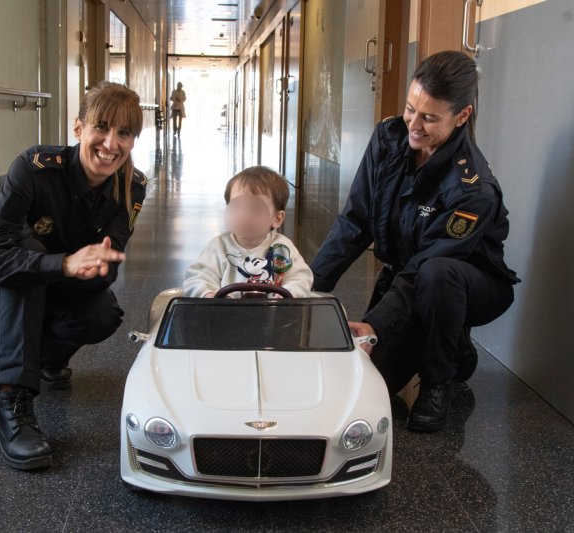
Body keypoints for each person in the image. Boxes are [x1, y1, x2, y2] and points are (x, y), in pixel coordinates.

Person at [310, 51, 519, 432]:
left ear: (462, 116)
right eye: (410, 109)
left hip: (469, 283)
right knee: (373, 378)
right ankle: (454, 342)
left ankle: (438, 381)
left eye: (429, 117)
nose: (414, 125)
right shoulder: (388, 139)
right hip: (411, 276)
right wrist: (308, 287)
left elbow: (428, 263)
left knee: (438, 275)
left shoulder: (473, 189)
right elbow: (355, 220)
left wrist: (373, 325)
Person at [0, 81, 147, 470]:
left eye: (125, 133)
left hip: (58, 287)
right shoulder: (34, 169)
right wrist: (62, 265)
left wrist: (95, 266)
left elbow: (105, 269)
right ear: (78, 127)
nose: (111, 143)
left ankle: (43, 357)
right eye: (102, 127)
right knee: (27, 257)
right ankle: (13, 405)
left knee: (102, 314)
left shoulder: (131, 187)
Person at [184, 166, 312, 298]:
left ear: (277, 218)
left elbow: (300, 279)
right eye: (237, 206)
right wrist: (208, 294)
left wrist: (289, 293)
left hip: (273, 314)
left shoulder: (283, 248)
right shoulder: (219, 247)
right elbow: (198, 278)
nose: (244, 215)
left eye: (256, 208)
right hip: (227, 314)